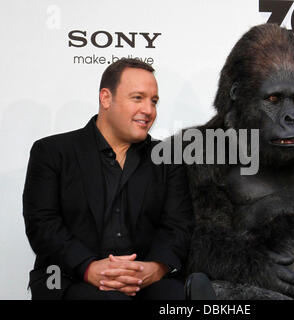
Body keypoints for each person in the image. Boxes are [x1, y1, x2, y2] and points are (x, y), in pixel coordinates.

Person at [23, 58, 204, 300]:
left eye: (154, 101)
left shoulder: (167, 158)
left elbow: (179, 226)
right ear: (106, 98)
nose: (149, 110)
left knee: (180, 297)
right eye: (137, 98)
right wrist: (88, 267)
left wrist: (155, 268)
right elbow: (42, 224)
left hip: (146, 279)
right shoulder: (52, 152)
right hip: (69, 277)